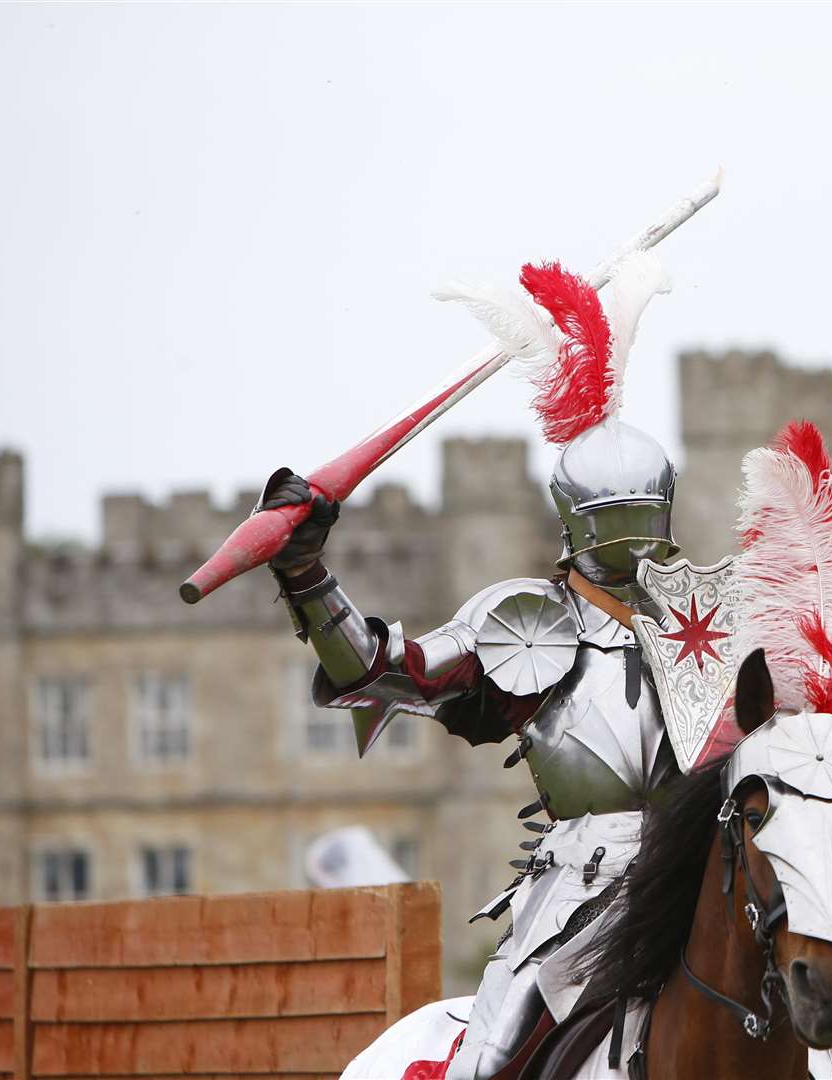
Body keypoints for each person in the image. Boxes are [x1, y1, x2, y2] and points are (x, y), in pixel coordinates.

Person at [263, 251, 688, 1078]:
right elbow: (389, 671)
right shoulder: (526, 622)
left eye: (644, 515)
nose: (634, 538)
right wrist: (307, 574)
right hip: (579, 888)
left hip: (703, 869)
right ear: (577, 525)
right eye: (618, 518)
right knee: (487, 1061)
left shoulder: (703, 626)